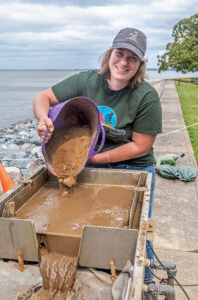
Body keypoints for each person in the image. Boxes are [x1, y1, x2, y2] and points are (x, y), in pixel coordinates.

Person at [33, 27, 162, 289]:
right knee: (87, 222)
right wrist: (44, 119)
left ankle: (145, 282)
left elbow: (140, 145)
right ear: (109, 53)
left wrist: (92, 160)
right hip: (92, 160)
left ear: (140, 65)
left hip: (132, 166)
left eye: (132, 58)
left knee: (133, 233)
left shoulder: (146, 96)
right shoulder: (87, 81)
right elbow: (43, 97)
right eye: (120, 53)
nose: (123, 62)